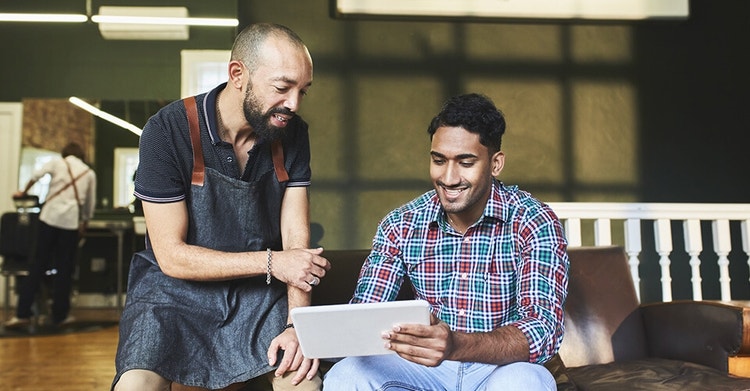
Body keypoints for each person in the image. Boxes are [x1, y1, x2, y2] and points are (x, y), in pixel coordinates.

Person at [112, 23, 330, 391]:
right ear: (237, 74)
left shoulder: (292, 133)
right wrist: (273, 262)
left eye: (302, 91)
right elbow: (172, 256)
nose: (293, 103)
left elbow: (296, 241)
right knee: (136, 385)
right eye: (282, 87)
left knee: (304, 384)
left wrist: (297, 326)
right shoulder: (167, 131)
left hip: (257, 292)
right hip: (173, 291)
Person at [324, 93, 569, 390]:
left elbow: (543, 329)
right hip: (424, 368)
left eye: (466, 163)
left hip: (500, 368)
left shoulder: (534, 221)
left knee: (527, 382)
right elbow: (364, 312)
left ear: (495, 164)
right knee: (346, 375)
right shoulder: (401, 224)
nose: (449, 178)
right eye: (439, 160)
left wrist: (455, 344)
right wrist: (308, 336)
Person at [3, 142, 96, 328]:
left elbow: (36, 176)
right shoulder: (89, 173)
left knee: (37, 265)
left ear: (65, 153)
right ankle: (60, 316)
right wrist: (84, 222)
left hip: (49, 218)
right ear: (81, 155)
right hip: (70, 222)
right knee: (64, 270)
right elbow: (89, 205)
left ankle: (23, 314)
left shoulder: (57, 162)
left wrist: (23, 191)